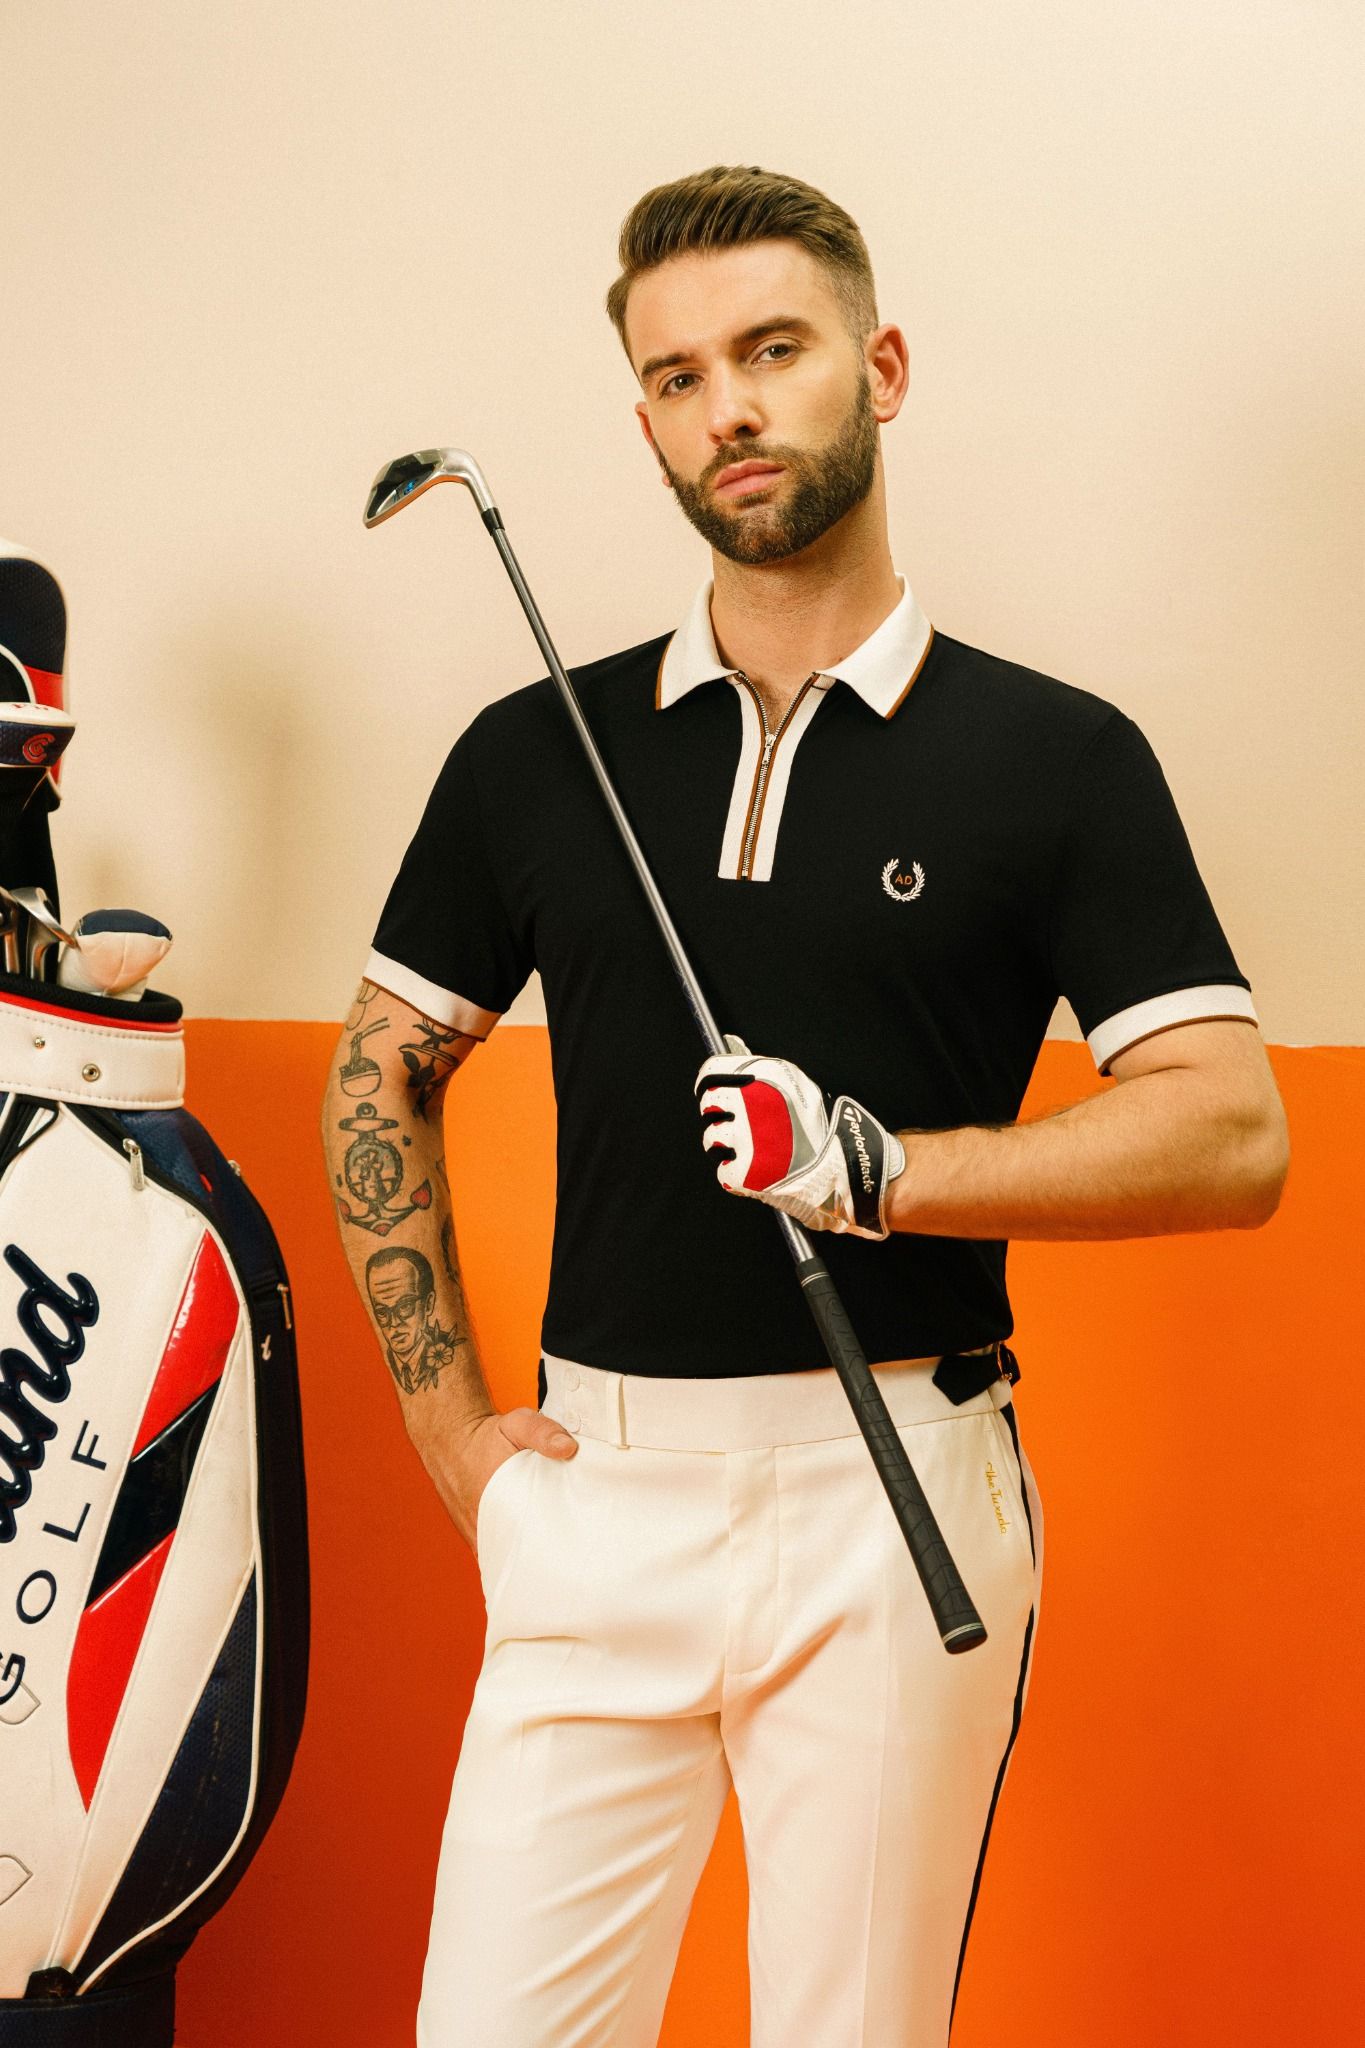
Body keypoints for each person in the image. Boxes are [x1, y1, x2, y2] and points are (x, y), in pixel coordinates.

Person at [321, 164, 1290, 2048]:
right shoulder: (537, 751)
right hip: (593, 1497)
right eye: (677, 377)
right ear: (646, 425)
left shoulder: (1057, 758)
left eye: (771, 351)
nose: (729, 409)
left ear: (882, 366)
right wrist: (457, 1451)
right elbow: (381, 1065)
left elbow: (1231, 1130)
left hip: (895, 1489)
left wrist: (877, 1169)